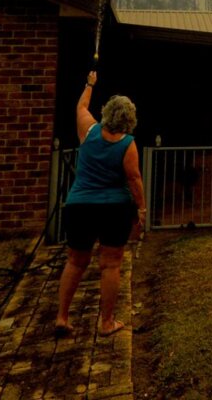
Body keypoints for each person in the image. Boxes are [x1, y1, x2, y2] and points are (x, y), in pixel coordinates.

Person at [55, 70, 147, 338]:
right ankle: (106, 322)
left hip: (79, 206)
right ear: (130, 120)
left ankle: (62, 316)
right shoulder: (128, 144)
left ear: (106, 112)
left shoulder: (89, 130)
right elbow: (134, 179)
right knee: (110, 264)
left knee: (75, 261)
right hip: (112, 209)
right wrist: (140, 209)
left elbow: (81, 106)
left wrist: (89, 84)